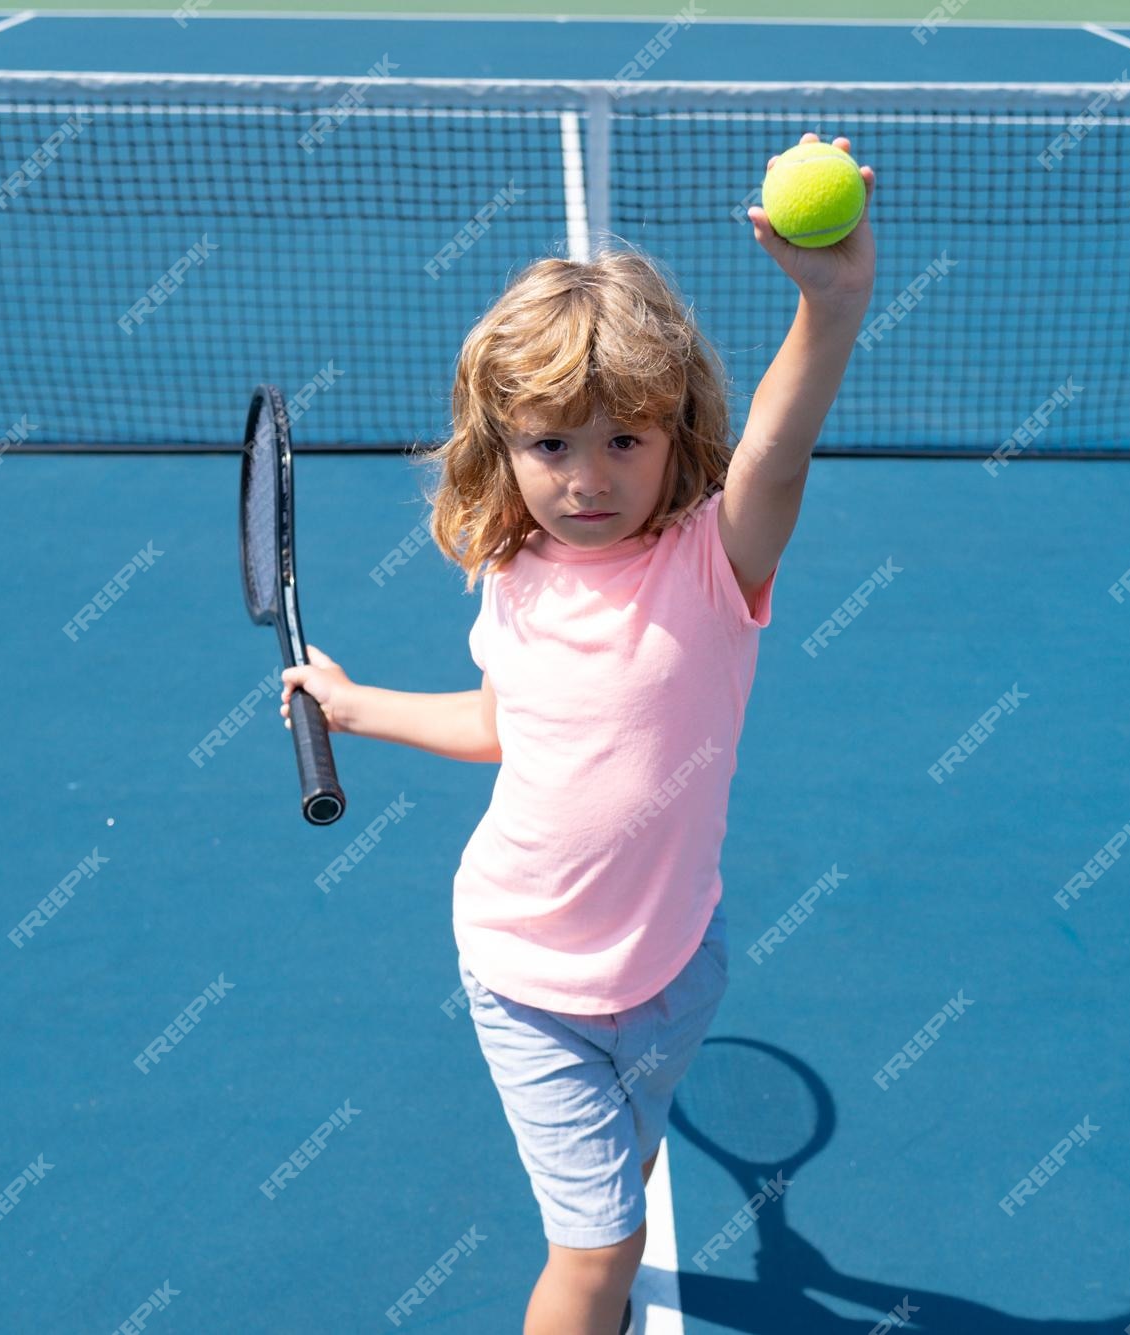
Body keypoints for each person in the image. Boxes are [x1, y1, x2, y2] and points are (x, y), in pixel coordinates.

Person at [280, 134, 876, 1335]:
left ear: (675, 434)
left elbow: (777, 447)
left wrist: (833, 297)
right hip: (527, 973)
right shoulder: (516, 575)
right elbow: (507, 724)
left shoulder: (714, 565)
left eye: (623, 440)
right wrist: (356, 706)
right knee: (596, 1252)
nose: (587, 477)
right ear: (501, 446)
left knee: (627, 1186)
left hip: (671, 971)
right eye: (550, 444)